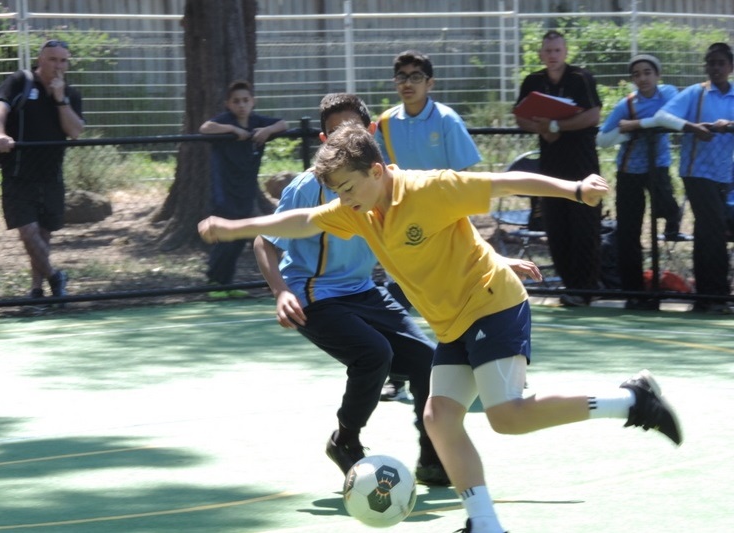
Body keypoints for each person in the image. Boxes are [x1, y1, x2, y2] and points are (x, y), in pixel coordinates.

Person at [198, 124, 682, 533]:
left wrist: (575, 190)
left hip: (492, 304)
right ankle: (485, 523)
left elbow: (504, 182)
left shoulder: (431, 189)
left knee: (506, 417)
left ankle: (632, 400)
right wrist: (236, 228)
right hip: (453, 323)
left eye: (348, 187)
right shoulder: (359, 212)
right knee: (439, 417)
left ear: (377, 171)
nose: (343, 200)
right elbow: (302, 219)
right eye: (338, 193)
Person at [253, 93, 450, 485]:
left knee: (430, 362)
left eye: (351, 131)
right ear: (324, 142)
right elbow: (265, 241)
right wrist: (280, 292)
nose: (342, 141)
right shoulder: (309, 186)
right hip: (314, 295)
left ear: (370, 132)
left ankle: (432, 455)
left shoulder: (386, 181)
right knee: (374, 353)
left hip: (363, 291)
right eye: (332, 135)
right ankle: (346, 441)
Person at [375, 49, 483, 400]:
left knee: (468, 302)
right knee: (393, 304)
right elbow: (380, 177)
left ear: (430, 83)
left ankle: (496, 367)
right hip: (404, 231)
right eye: (402, 76)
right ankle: (398, 376)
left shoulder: (447, 121)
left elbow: (464, 179)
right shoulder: (386, 123)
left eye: (416, 77)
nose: (408, 83)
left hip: (448, 230)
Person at [0, 39, 84, 300]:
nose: (58, 65)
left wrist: (60, 100)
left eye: (63, 60)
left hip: (51, 175)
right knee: (29, 234)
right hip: (18, 173)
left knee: (43, 236)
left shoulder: (70, 94)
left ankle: (37, 290)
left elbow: (74, 131)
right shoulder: (21, 81)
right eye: (52, 59)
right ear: (41, 59)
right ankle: (55, 276)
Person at [515, 30, 603, 307]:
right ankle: (569, 287)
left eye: (557, 50)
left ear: (565, 52)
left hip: (582, 164)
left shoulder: (581, 78)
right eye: (547, 50)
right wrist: (542, 127)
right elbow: (521, 117)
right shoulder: (533, 81)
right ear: (541, 53)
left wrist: (558, 125)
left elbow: (592, 114)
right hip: (550, 168)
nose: (552, 55)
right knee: (556, 227)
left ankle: (585, 289)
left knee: (584, 227)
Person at [596, 54, 682, 311]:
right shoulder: (626, 104)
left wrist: (637, 124)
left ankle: (673, 219)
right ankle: (634, 292)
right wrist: (628, 132)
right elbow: (602, 140)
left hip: (659, 168)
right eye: (637, 74)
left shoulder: (669, 94)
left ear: (658, 75)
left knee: (667, 206)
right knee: (630, 232)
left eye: (648, 72)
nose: (643, 78)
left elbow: (669, 120)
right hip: (630, 171)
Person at [653, 42, 734, 314]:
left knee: (705, 233)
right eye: (711, 63)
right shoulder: (695, 94)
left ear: (730, 67)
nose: (716, 68)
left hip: (724, 175)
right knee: (715, 227)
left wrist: (729, 126)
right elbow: (662, 116)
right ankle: (719, 295)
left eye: (721, 63)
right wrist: (691, 127)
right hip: (696, 173)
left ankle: (703, 298)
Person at [199, 79, 288, 298]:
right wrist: (231, 129)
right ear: (228, 104)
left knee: (239, 238)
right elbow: (205, 128)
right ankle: (214, 283)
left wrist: (267, 131)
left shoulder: (257, 121)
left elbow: (283, 124)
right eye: (236, 101)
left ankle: (226, 284)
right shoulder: (225, 122)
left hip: (245, 191)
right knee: (225, 238)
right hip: (223, 191)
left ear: (253, 102)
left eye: (246, 100)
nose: (241, 105)